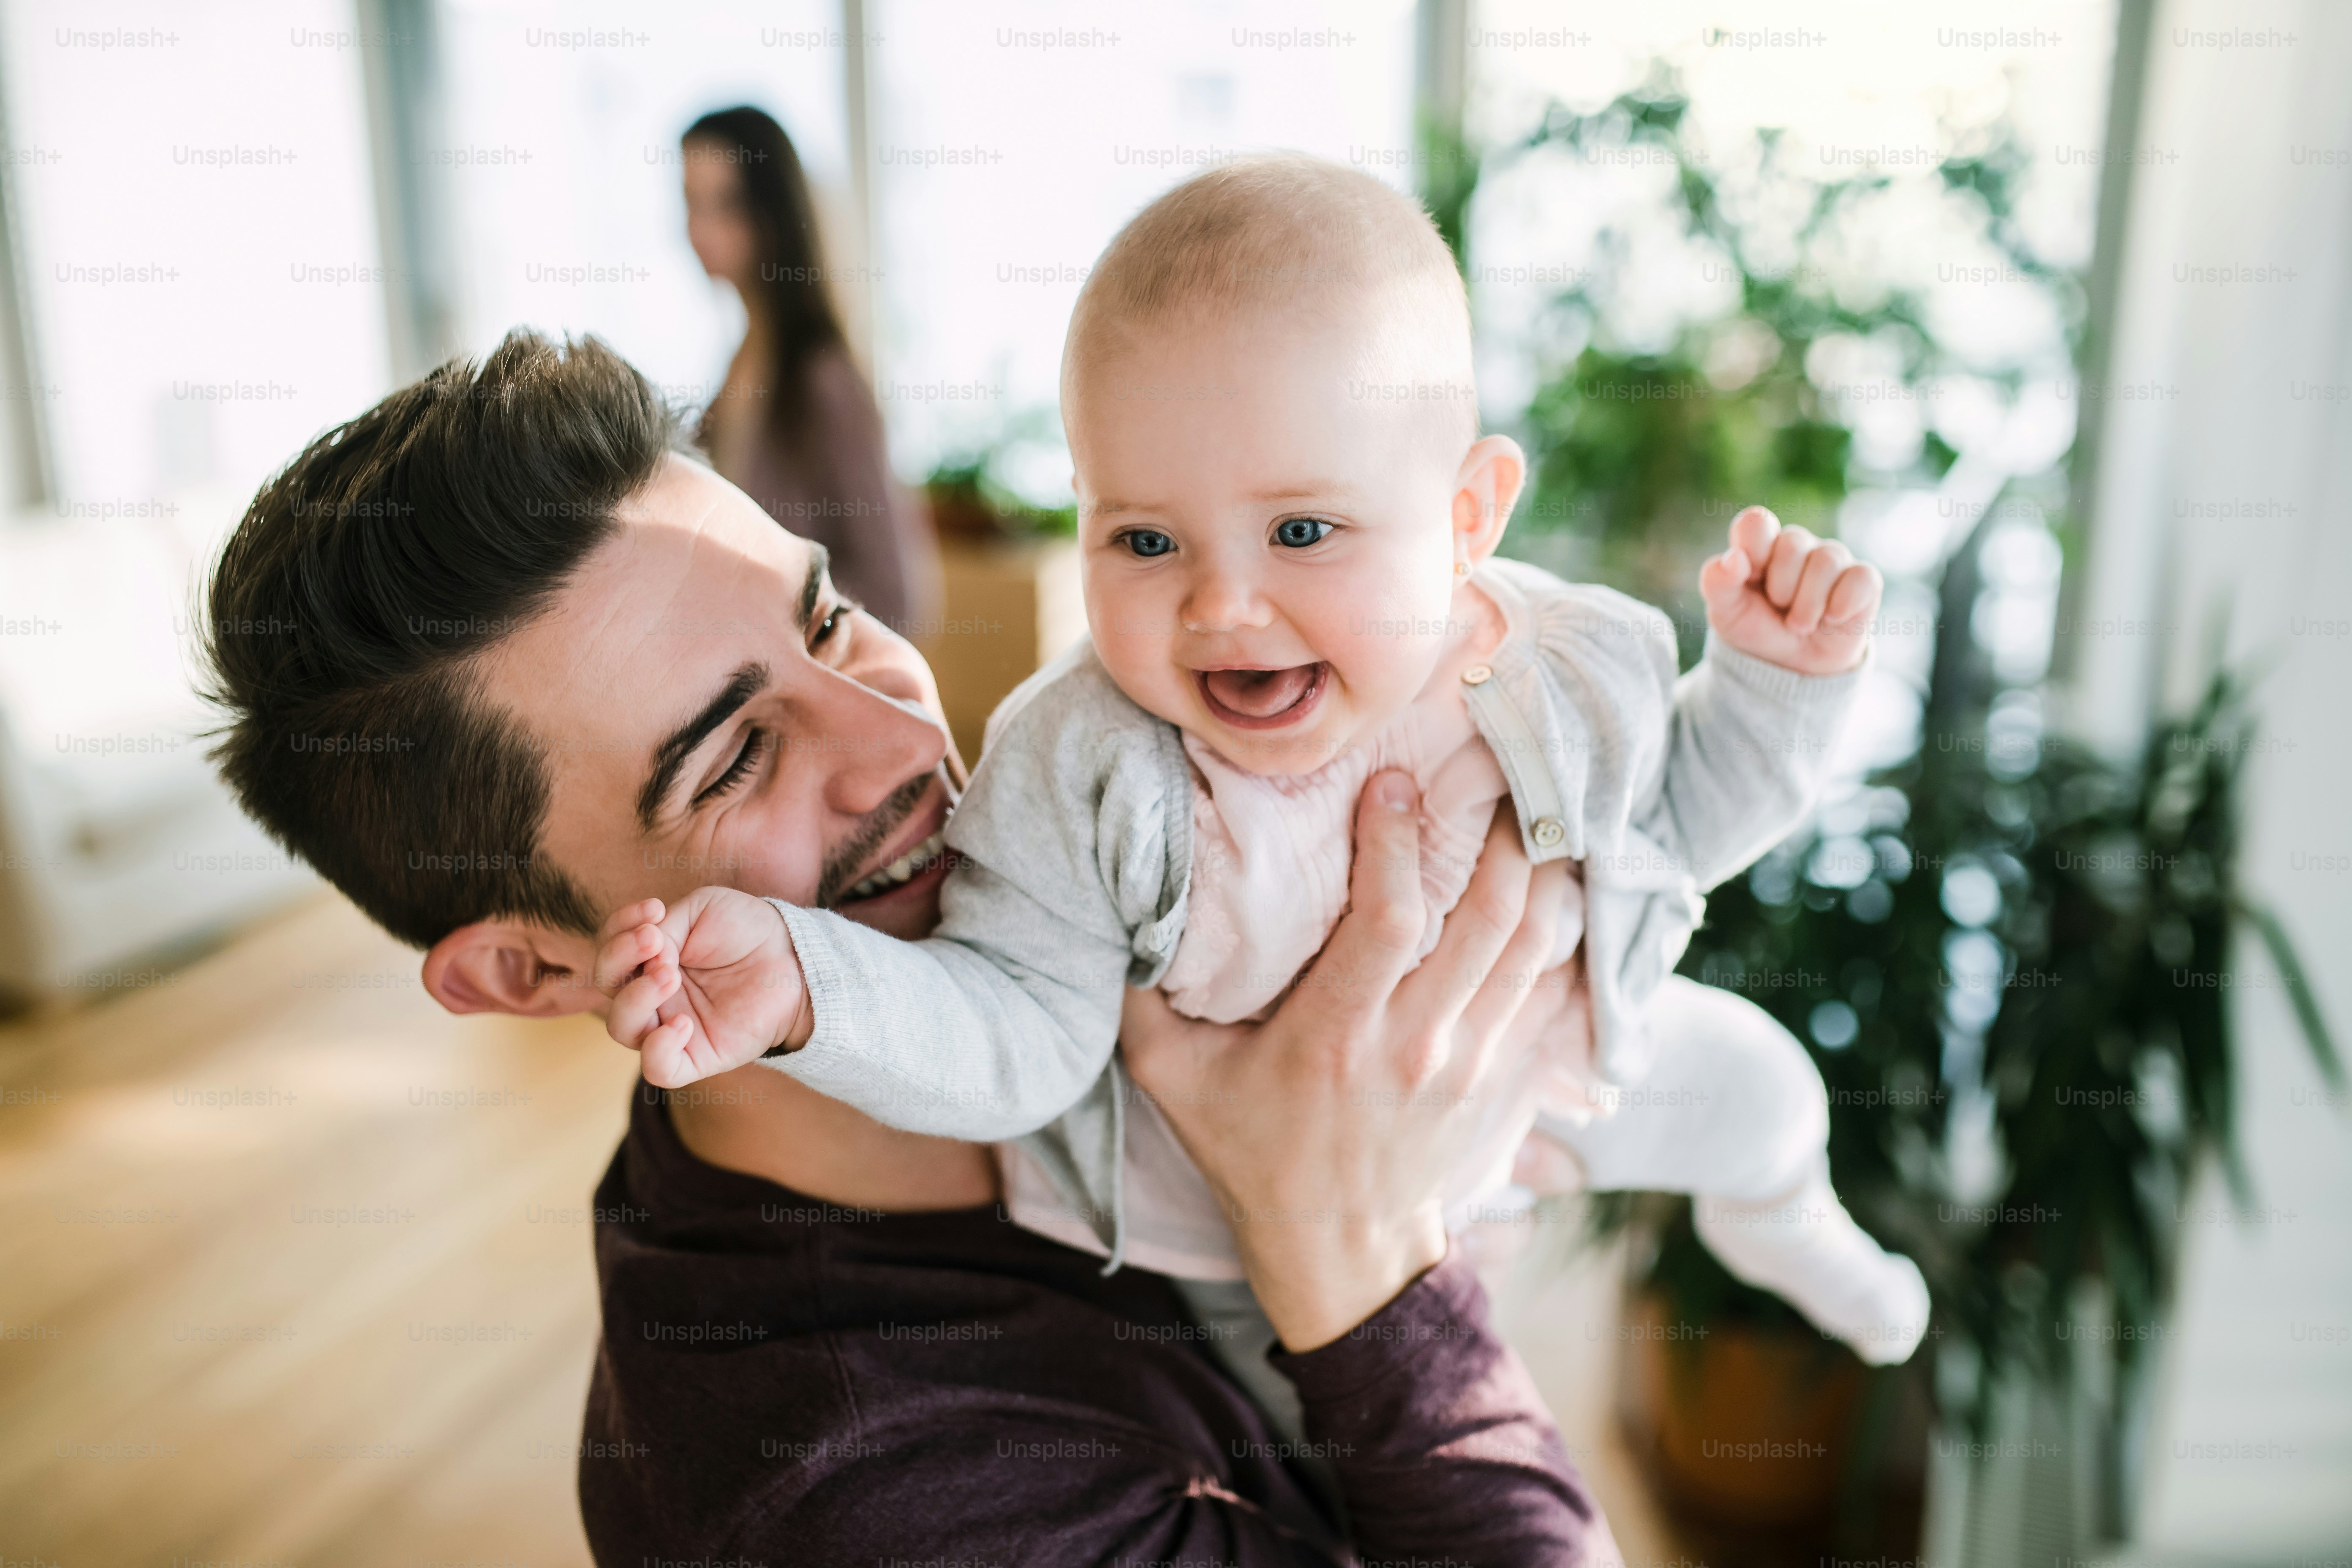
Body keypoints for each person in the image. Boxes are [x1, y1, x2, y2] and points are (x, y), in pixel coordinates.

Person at [195, 330, 1621, 1561]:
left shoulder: (1139, 908)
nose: (902, 737)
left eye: (830, 616)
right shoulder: (867, 1502)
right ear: (534, 968)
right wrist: (1355, 1256)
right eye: (734, 757)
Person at [593, 156, 1933, 1394]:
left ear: (1466, 517)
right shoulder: (1088, 767)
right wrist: (809, 983)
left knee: (1765, 1092)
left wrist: (1775, 681)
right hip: (1242, 1228)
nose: (1223, 607)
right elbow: (1013, 1034)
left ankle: (1792, 1228)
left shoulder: (1556, 668)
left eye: (1302, 529)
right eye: (1145, 540)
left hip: (1544, 1081)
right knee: (1318, 1441)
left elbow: (1691, 814)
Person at [680, 104, 938, 634]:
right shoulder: (738, 369)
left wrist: (781, 638)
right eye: (690, 202)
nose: (698, 230)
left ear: (772, 213)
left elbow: (897, 594)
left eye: (725, 204)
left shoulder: (824, 380)